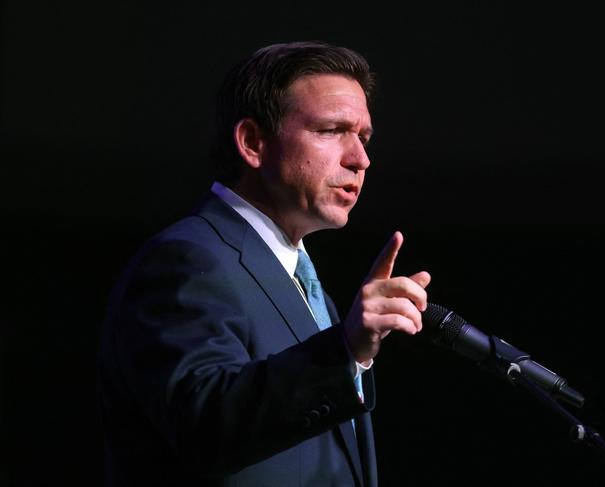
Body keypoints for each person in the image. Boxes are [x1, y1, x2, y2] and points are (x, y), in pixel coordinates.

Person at [98, 40, 431, 487]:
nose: (360, 160)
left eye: (363, 137)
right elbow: (205, 427)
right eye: (332, 130)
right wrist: (344, 351)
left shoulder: (310, 291)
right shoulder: (186, 260)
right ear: (253, 143)